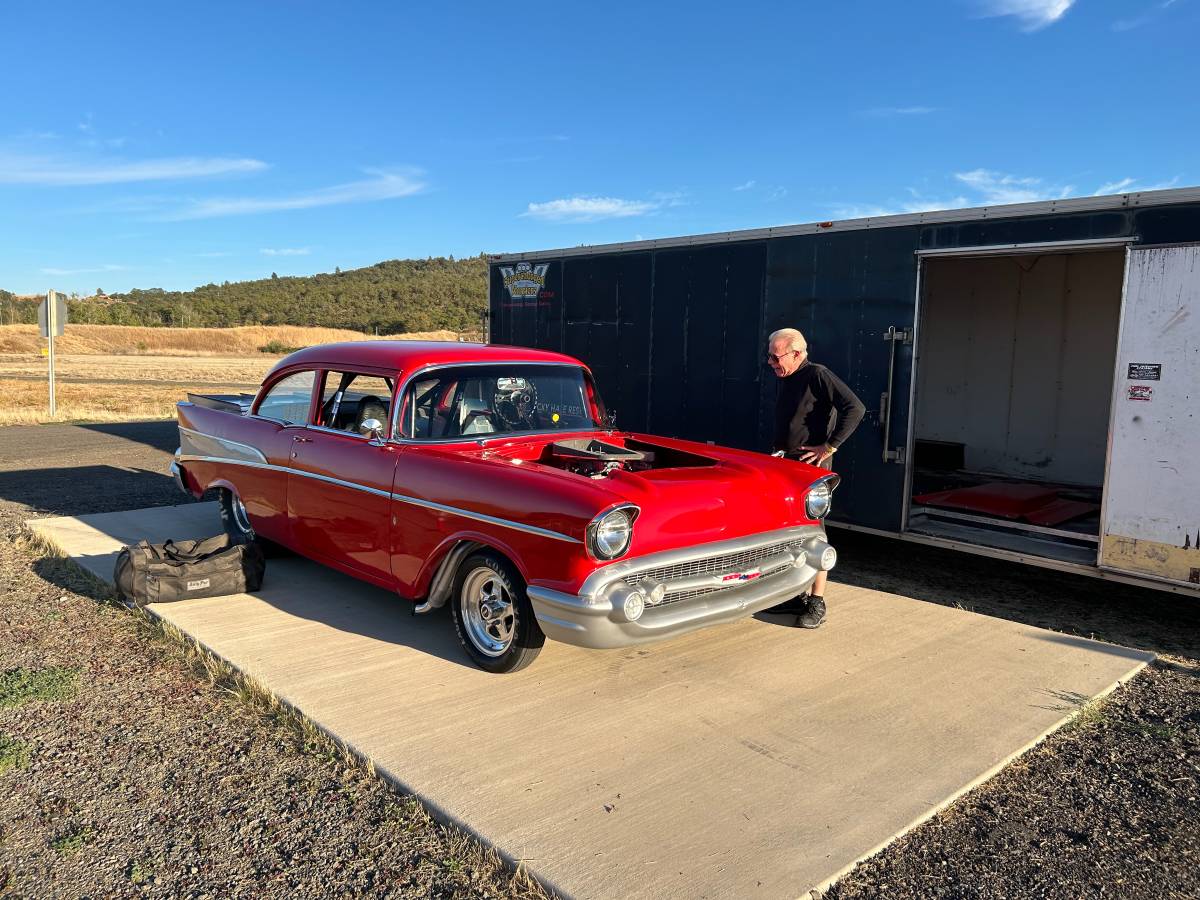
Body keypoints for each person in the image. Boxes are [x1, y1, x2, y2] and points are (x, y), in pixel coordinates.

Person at [765, 327, 865, 628]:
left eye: (775, 356)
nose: (770, 362)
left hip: (811, 471)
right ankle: (796, 594)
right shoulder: (788, 377)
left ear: (796, 353)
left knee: (814, 532)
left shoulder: (818, 375)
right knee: (787, 530)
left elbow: (855, 408)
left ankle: (817, 601)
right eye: (769, 356)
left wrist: (829, 446)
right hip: (786, 466)